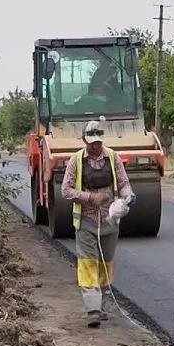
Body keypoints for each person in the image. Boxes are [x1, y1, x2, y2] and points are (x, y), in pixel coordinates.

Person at [61, 118, 134, 328]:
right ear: (85, 140)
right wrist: (90, 198)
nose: (95, 146)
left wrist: (129, 196)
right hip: (86, 220)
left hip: (110, 221)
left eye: (98, 142)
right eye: (92, 142)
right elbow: (66, 191)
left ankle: (102, 304)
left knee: (105, 264)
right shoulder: (76, 160)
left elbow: (124, 183)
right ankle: (93, 309)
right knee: (87, 264)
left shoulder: (112, 158)